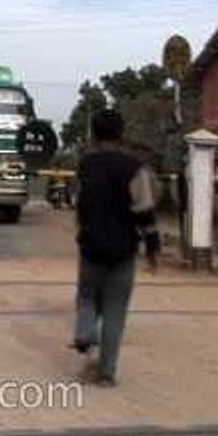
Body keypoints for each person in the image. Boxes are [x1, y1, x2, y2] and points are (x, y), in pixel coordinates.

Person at [71, 108, 161, 387]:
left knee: (87, 297)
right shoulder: (135, 168)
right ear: (121, 135)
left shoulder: (86, 165)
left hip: (91, 247)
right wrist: (153, 247)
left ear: (94, 134)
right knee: (115, 311)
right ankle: (107, 373)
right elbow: (144, 210)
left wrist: (83, 231)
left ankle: (85, 334)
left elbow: (80, 205)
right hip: (123, 250)